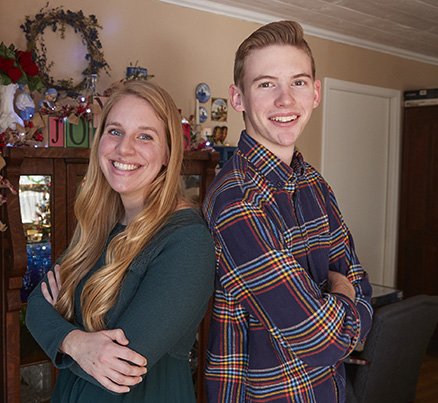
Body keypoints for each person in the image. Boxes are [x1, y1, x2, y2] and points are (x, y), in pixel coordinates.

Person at [202, 21, 373, 402]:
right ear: (238, 98)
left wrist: (341, 304)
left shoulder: (314, 184)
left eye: (298, 82)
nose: (285, 100)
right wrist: (343, 294)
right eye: (266, 84)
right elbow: (321, 340)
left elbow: (362, 287)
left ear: (316, 93)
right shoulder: (236, 199)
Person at [26, 80, 215, 402]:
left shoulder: (187, 240)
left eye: (145, 136)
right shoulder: (100, 224)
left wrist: (59, 333)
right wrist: (75, 343)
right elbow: (36, 305)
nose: (124, 149)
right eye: (115, 131)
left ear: (168, 153)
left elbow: (122, 364)